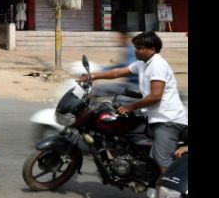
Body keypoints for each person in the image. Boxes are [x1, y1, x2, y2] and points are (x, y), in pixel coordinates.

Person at [78, 31, 188, 175]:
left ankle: (170, 194)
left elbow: (155, 96)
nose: (135, 51)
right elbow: (117, 72)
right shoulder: (143, 64)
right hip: (152, 115)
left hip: (168, 120)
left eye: (139, 48)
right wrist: (91, 76)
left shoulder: (157, 65)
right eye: (136, 47)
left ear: (152, 49)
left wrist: (131, 107)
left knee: (162, 158)